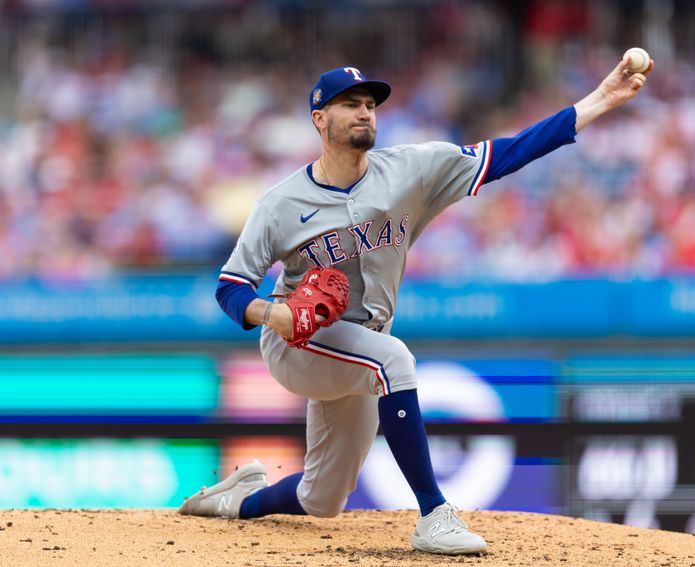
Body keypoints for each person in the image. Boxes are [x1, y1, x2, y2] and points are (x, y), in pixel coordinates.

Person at [179, 59, 653, 555]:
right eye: (350, 104)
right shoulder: (281, 203)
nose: (365, 113)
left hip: (363, 340)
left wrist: (599, 100)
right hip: (295, 342)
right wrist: (273, 314)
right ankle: (434, 513)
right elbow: (230, 287)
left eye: (369, 104)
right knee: (394, 361)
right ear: (319, 118)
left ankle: (237, 500)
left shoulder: (411, 169)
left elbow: (508, 154)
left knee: (322, 497)